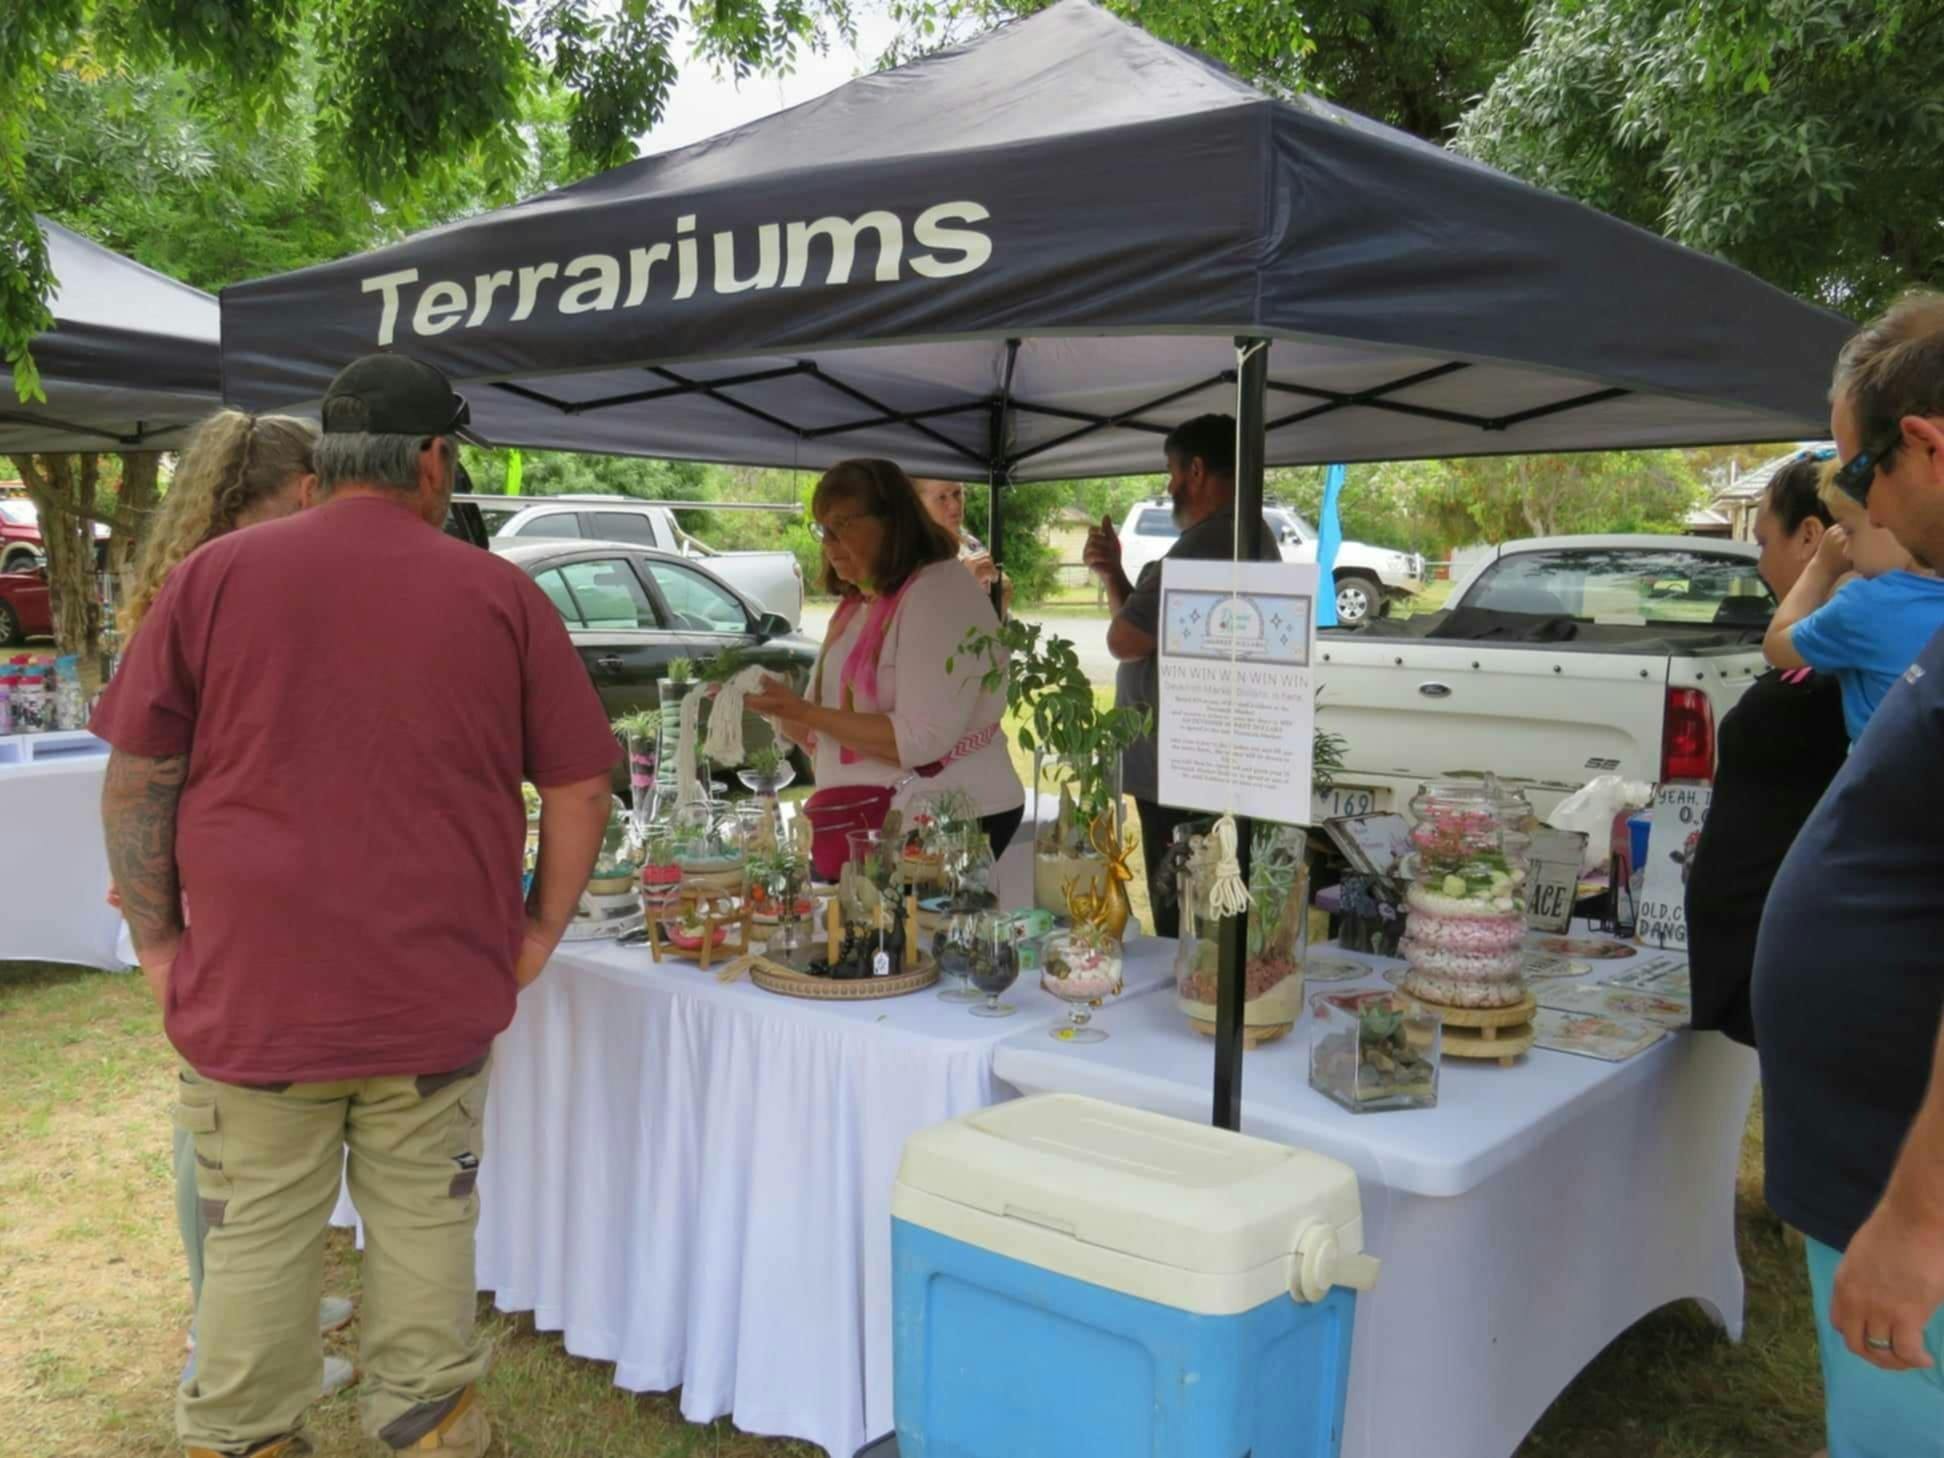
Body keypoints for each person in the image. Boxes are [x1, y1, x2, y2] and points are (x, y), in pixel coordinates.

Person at [94, 353, 618, 1458]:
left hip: (256, 999)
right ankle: (422, 1425)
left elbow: (140, 772)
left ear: (327, 459)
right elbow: (579, 784)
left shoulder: (215, 577)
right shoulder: (499, 593)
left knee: (253, 1259)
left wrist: (155, 941)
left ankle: (245, 1434)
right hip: (431, 999)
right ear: (434, 458)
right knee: (427, 1253)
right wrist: (534, 932)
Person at [114, 410, 358, 1399]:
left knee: (233, 1109)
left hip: (197, 877)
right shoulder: (220, 589)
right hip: (204, 886)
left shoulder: (196, 576)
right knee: (215, 1117)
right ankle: (223, 1331)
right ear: (304, 488)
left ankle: (268, 1306)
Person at [1752, 291, 1944, 1458]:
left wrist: (1918, 1220)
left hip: (1906, 1192)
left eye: (1860, 464)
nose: (1858, 502)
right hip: (1875, 1161)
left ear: (1924, 441)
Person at [746, 459, 1024, 857]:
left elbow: (921, 739)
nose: (827, 542)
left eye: (841, 525)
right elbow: (828, 729)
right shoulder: (861, 604)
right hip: (884, 819)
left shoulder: (936, 593)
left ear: (891, 522)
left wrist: (805, 714)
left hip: (949, 818)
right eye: (823, 528)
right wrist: (775, 707)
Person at [1083, 414, 1278, 937]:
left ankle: (1194, 1004)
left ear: (1195, 469)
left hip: (1183, 768)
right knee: (1217, 911)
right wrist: (1116, 577)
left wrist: (1129, 591)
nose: (1169, 487)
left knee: (1185, 918)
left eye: (1171, 472)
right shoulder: (1250, 534)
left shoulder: (1206, 543)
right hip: (1210, 760)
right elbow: (1153, 631)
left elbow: (1125, 641)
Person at [1684, 452, 1849, 1046]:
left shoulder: (1853, 648)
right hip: (1760, 945)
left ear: (1810, 536)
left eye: (1763, 541)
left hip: (1798, 944)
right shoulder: (1815, 647)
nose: (1758, 561)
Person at [1763, 456, 1944, 741]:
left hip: (1884, 781)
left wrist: (1820, 568)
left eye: (1848, 531)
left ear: (1885, 520)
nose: (1845, 552)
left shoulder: (1865, 606)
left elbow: (1775, 646)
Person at [914, 477, 1012, 612]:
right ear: (918, 504)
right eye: (942, 497)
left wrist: (999, 586)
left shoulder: (968, 541)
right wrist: (962, 583)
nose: (955, 505)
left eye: (957, 493)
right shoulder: (911, 554)